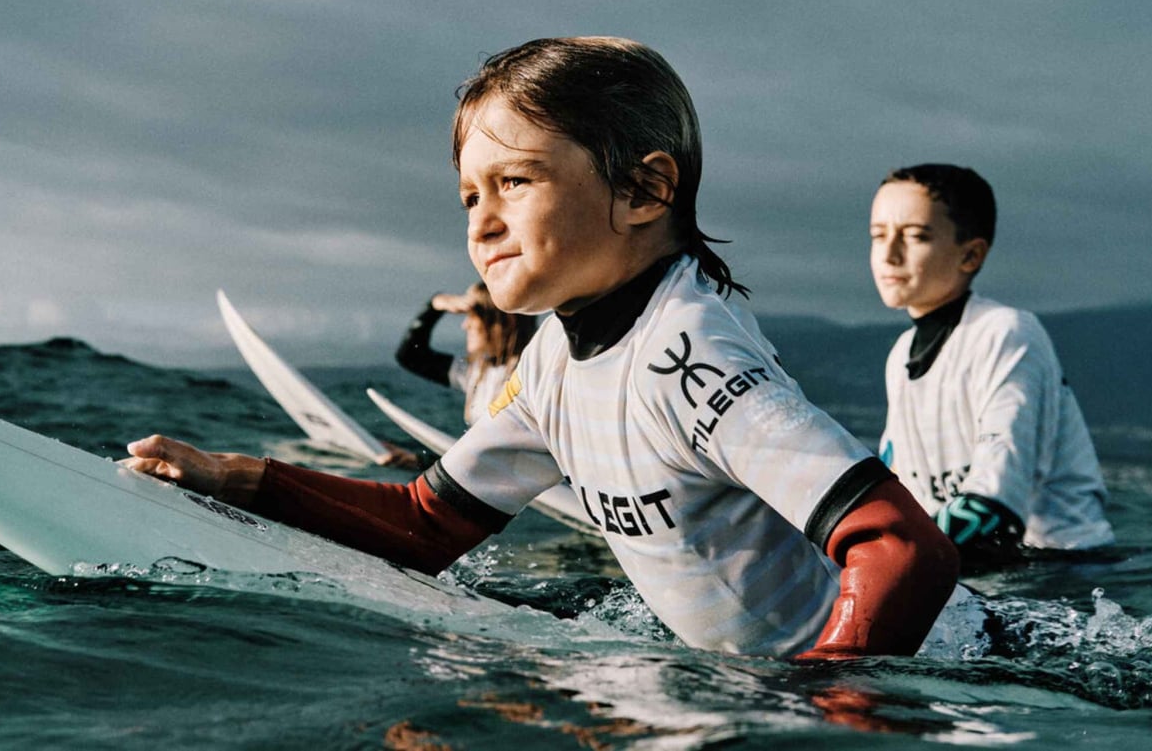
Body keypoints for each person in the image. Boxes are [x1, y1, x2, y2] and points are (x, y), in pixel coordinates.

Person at [124, 37, 959, 658]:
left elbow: (902, 548)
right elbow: (426, 521)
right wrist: (239, 478)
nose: (481, 222)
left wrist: (834, 707)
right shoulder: (555, 359)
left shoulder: (690, 353)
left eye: (514, 182)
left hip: (957, 663)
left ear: (643, 189)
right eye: (468, 197)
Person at [869, 164, 1114, 567]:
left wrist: (889, 558)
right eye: (878, 235)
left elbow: (993, 508)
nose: (890, 254)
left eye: (915, 237)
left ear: (971, 254)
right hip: (973, 570)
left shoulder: (1006, 332)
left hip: (1064, 573)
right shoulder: (901, 354)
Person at [395, 281, 538, 429]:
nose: (465, 325)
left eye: (472, 316)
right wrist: (434, 305)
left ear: (505, 321)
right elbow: (410, 356)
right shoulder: (476, 371)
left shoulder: (532, 374)